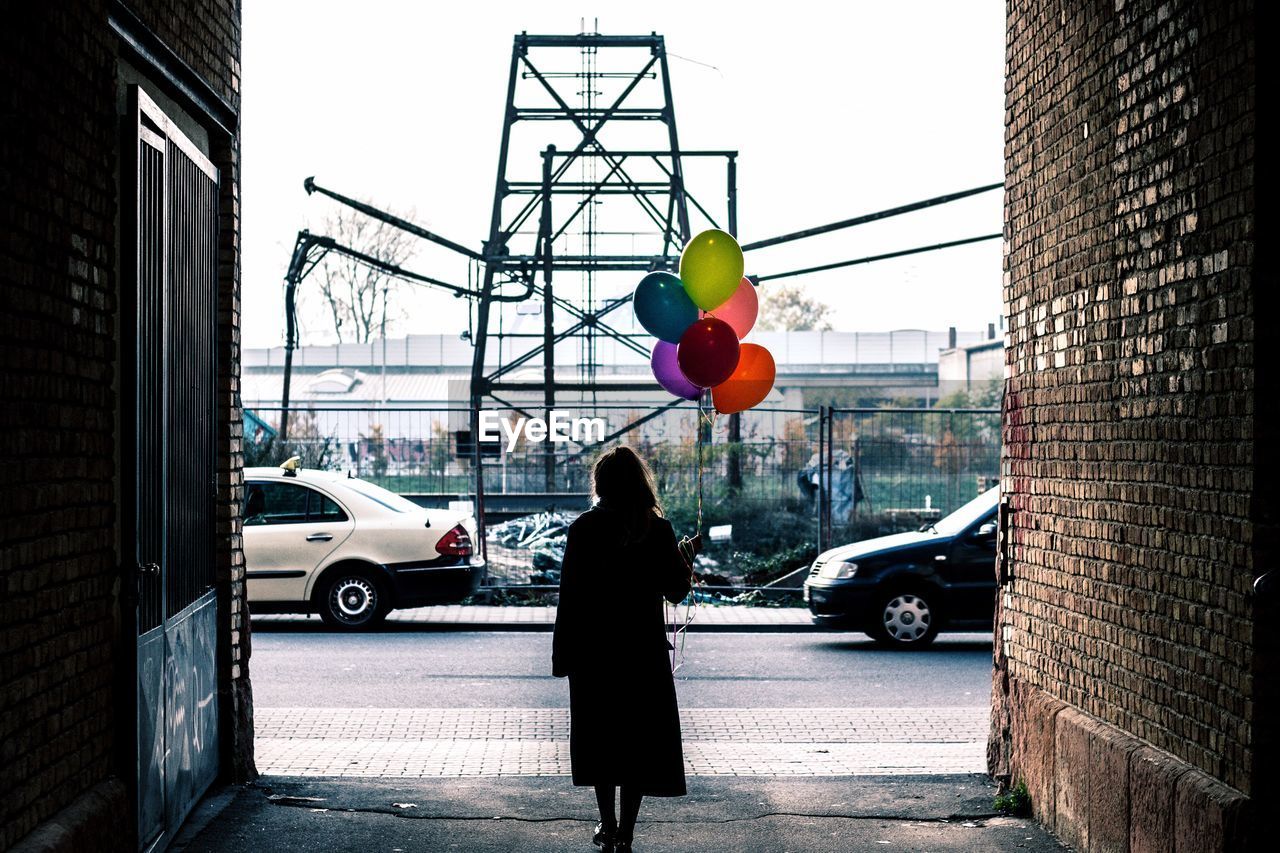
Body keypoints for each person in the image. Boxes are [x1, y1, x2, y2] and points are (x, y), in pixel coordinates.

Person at [552, 445, 695, 852]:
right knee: (637, 742)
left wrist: (562, 655)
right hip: (641, 652)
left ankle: (606, 822)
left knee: (601, 739)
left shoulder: (583, 529)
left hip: (593, 653)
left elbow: (570, 596)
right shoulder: (657, 530)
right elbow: (675, 592)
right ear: (640, 483)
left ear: (601, 484)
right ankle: (628, 830)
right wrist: (686, 558)